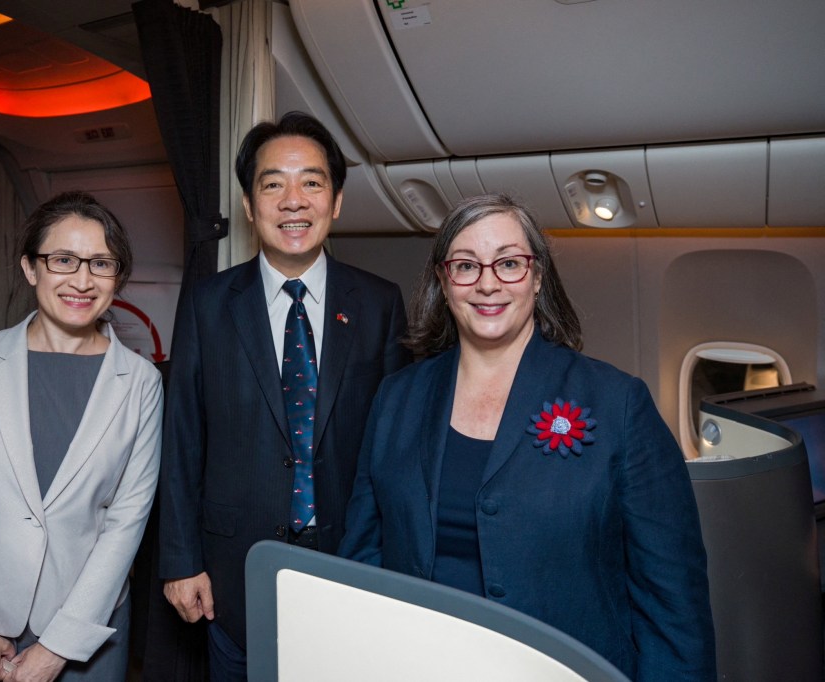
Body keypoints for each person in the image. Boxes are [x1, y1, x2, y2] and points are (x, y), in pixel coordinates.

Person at [338, 194, 716, 680]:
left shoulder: (617, 403)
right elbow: (362, 560)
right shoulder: (397, 399)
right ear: (443, 281)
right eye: (466, 266)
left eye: (510, 263)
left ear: (538, 278)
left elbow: (672, 596)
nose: (488, 283)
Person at [158, 110, 412, 680]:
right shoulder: (207, 304)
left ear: (336, 200)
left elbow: (395, 450)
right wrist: (180, 561)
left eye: (312, 182)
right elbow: (181, 439)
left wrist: (395, 565)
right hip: (231, 575)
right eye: (273, 184)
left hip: (350, 566)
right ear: (250, 205)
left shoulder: (379, 303)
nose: (293, 200)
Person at [0, 191, 163, 682]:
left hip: (83, 632)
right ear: (31, 268)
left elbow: (125, 523)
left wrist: (57, 650)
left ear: (117, 277)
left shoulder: (141, 383)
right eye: (63, 260)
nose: (81, 279)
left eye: (100, 263)